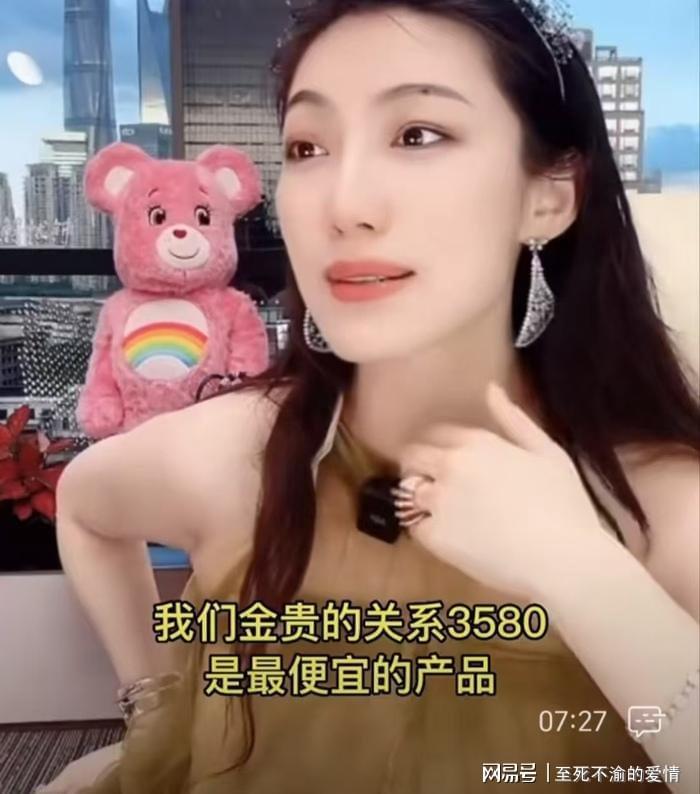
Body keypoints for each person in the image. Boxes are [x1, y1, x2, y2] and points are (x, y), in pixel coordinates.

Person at [40, 1, 700, 792]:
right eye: (308, 147)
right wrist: (152, 708)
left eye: (418, 134)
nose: (344, 205)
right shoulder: (235, 456)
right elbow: (84, 506)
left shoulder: (659, 508)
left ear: (550, 197)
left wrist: (579, 570)